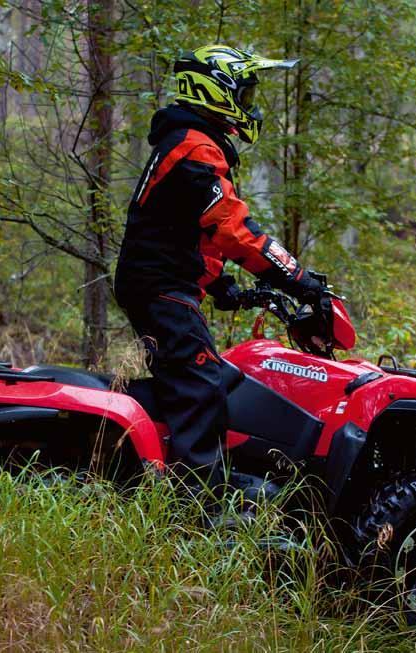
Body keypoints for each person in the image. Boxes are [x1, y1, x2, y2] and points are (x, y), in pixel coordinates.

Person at [114, 45, 323, 490]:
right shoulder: (194, 148)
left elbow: (187, 232)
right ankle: (197, 505)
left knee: (209, 376)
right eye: (244, 95)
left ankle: (142, 460)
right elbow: (233, 228)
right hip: (159, 286)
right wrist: (298, 279)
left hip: (161, 281)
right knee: (201, 384)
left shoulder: (191, 141)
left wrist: (221, 283)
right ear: (217, 93)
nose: (250, 106)